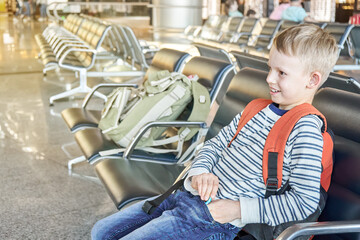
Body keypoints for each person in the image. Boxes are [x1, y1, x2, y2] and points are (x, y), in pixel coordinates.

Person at [91, 24, 338, 240]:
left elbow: (303, 203)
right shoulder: (256, 109)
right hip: (184, 194)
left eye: (281, 73)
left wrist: (238, 210)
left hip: (213, 221)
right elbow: (214, 146)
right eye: (270, 68)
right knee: (101, 232)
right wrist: (200, 172)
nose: (270, 79)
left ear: (312, 80)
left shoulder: (306, 129)